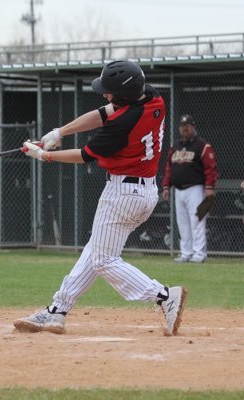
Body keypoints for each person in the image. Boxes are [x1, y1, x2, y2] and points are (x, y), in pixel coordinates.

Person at [13, 60, 187, 336]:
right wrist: (59, 133)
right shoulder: (152, 98)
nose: (105, 94)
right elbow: (102, 113)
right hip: (144, 191)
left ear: (123, 95)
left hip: (122, 195)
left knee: (104, 261)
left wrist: (44, 155)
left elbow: (84, 156)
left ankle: (165, 296)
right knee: (96, 251)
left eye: (109, 91)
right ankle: (57, 311)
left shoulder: (122, 125)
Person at [162, 115, 218, 263]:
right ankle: (186, 253)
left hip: (196, 189)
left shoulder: (202, 145)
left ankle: (199, 253)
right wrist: (166, 186)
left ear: (193, 127)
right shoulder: (175, 146)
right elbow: (169, 167)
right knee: (183, 223)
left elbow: (210, 168)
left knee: (197, 221)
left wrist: (209, 187)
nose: (184, 128)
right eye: (182, 126)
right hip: (178, 190)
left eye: (187, 125)